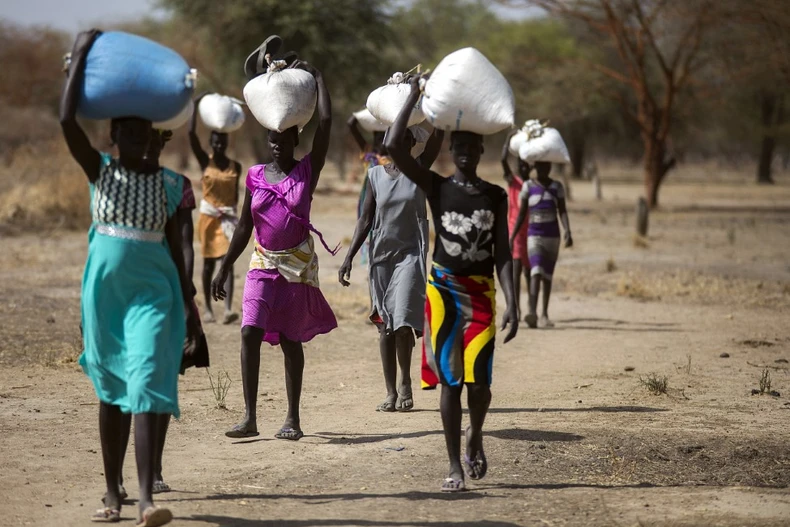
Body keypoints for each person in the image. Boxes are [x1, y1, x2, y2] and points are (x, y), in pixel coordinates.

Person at [61, 30, 198, 526]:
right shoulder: (99, 172)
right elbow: (65, 118)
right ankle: (112, 491)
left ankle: (145, 499)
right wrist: (78, 58)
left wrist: (189, 305)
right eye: (131, 137)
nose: (140, 145)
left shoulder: (170, 185)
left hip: (153, 295)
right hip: (106, 299)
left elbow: (182, 255)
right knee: (111, 392)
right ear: (113, 139)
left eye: (147, 137)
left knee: (144, 383)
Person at [385, 77, 518, 492]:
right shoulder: (436, 186)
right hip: (442, 293)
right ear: (450, 151)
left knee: (480, 383)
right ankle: (453, 465)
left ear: (480, 151)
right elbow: (392, 147)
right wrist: (411, 97)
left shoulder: (495, 196)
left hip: (481, 294)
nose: (463, 153)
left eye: (470, 148)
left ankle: (474, 435)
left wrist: (513, 301)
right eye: (457, 148)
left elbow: (502, 253)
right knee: (450, 381)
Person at [213, 60, 337, 441]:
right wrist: (224, 265)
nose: (277, 145)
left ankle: (293, 419)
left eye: (284, 140)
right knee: (249, 331)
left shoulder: (307, 171)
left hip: (296, 267)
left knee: (289, 339)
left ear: (295, 140)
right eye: (272, 140)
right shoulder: (253, 176)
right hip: (262, 262)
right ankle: (249, 417)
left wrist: (318, 77)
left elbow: (327, 126)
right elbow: (245, 226)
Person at [339, 124, 444, 413]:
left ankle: (406, 382)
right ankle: (390, 390)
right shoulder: (374, 175)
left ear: (412, 143)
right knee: (384, 327)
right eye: (395, 137)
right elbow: (365, 219)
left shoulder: (419, 170)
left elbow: (437, 139)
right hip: (380, 257)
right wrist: (348, 257)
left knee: (401, 323)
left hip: (410, 255)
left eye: (406, 138)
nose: (399, 142)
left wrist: (436, 109)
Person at [189, 95, 242, 324]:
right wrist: (193, 107)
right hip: (208, 219)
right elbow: (191, 136)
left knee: (227, 261)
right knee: (209, 263)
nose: (219, 145)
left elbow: (237, 195)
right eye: (216, 142)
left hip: (228, 218)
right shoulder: (205, 162)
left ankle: (228, 308)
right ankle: (209, 309)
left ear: (227, 143)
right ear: (211, 143)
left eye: (223, 142)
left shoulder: (236, 166)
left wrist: (236, 216)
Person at [510, 161, 573, 328]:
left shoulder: (557, 187)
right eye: (538, 167)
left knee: (547, 276)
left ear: (550, 168)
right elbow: (522, 213)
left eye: (545, 167)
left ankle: (544, 313)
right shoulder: (528, 187)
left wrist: (568, 230)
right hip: (534, 235)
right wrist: (512, 236)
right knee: (536, 271)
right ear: (534, 168)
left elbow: (563, 210)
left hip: (552, 236)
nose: (541, 170)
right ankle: (532, 312)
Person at [347, 114, 391, 265]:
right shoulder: (369, 155)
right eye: (378, 137)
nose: (381, 142)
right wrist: (363, 114)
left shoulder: (395, 159)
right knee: (367, 228)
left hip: (386, 200)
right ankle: (372, 263)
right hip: (367, 200)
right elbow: (351, 125)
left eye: (384, 137)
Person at [501, 131, 531, 320]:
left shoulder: (532, 184)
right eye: (521, 165)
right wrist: (508, 140)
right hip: (515, 230)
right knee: (516, 269)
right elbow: (503, 160)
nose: (523, 168)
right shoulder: (514, 181)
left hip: (531, 231)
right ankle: (517, 308)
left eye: (527, 165)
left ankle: (531, 307)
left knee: (529, 271)